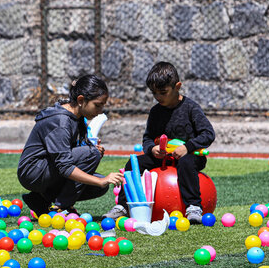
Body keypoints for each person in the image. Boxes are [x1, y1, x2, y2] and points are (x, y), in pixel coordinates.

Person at [104, 61, 215, 224]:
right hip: (163, 157)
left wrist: (187, 147)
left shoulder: (191, 108)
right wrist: (152, 149)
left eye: (163, 92)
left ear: (177, 86)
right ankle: (122, 206)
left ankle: (193, 206)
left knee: (186, 163)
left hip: (189, 156)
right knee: (135, 163)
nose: (158, 97)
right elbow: (147, 138)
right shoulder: (156, 111)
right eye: (154, 93)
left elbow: (208, 134)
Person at [17, 75, 124, 217]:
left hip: (47, 169)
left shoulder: (76, 116)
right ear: (81, 100)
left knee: (98, 187)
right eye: (97, 105)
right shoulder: (61, 122)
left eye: (103, 105)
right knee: (95, 169)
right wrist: (100, 179)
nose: (100, 111)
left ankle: (41, 200)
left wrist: (91, 151)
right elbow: (65, 166)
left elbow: (70, 154)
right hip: (33, 173)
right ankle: (60, 207)